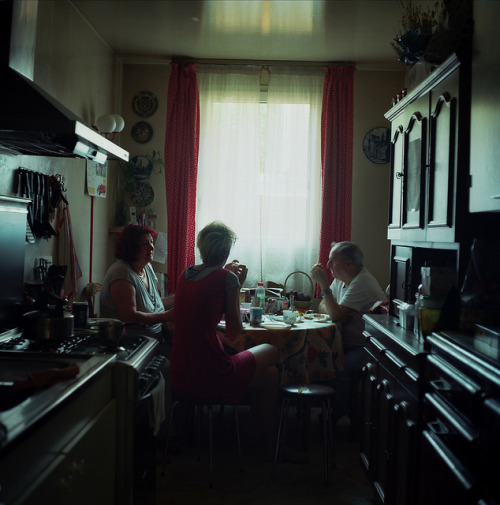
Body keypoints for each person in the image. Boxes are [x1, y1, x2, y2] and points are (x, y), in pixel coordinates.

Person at [171, 221, 294, 460]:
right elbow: (235, 332)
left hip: (182, 372)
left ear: (200, 248)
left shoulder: (185, 274)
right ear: (227, 252)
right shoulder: (227, 279)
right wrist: (236, 286)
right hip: (213, 373)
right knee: (270, 349)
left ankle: (257, 428)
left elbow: (201, 320)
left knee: (269, 375)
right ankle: (271, 444)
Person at [311, 241, 386, 425]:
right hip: (348, 345)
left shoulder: (361, 282)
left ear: (348, 263)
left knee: (337, 368)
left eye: (332, 261)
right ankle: (339, 410)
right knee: (323, 361)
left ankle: (357, 417)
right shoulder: (341, 279)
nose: (327, 266)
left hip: (370, 348)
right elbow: (323, 307)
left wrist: (323, 284)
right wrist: (332, 304)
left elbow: (335, 314)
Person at [100, 224, 175, 355]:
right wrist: (167, 316)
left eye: (151, 242)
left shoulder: (147, 267)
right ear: (132, 248)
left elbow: (153, 305)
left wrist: (180, 297)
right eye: (145, 244)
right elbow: (129, 316)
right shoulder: (122, 273)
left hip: (152, 343)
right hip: (129, 346)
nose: (152, 247)